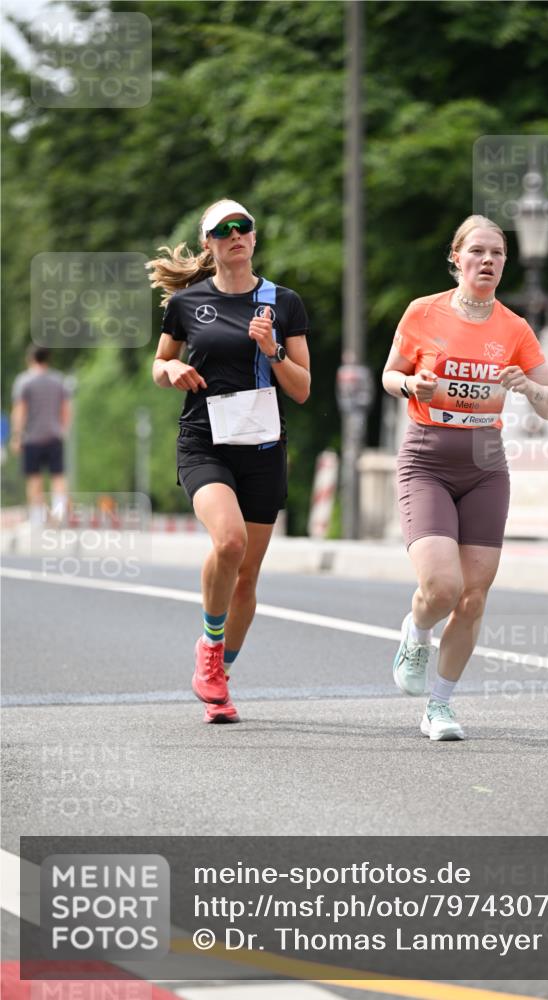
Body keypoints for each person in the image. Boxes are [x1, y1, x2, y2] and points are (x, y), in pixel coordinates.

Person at [382, 215, 548, 742]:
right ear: (456, 258)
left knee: (475, 596)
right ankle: (416, 633)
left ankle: (439, 706)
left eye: (498, 253)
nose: (488, 261)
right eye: (478, 251)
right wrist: (410, 383)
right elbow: (390, 372)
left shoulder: (513, 328)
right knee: (441, 587)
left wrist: (527, 385)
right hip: (427, 460)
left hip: (486, 466)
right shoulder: (423, 311)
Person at [147, 198, 310, 724]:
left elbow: (304, 390)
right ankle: (210, 647)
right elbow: (161, 361)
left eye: (244, 227)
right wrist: (170, 372)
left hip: (263, 449)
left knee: (247, 577)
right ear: (209, 244)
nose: (236, 235)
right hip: (205, 443)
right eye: (224, 230)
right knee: (230, 541)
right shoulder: (188, 304)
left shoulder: (283, 303)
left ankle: (219, 672)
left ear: (254, 239)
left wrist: (274, 351)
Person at [10, 345, 71, 525]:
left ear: (30, 359)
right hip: (54, 435)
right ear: (48, 359)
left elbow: (20, 410)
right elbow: (66, 409)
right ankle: (60, 516)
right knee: (58, 476)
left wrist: (17, 435)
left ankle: (37, 518)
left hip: (32, 438)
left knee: (34, 478)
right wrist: (63, 430)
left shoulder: (24, 381)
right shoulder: (59, 380)